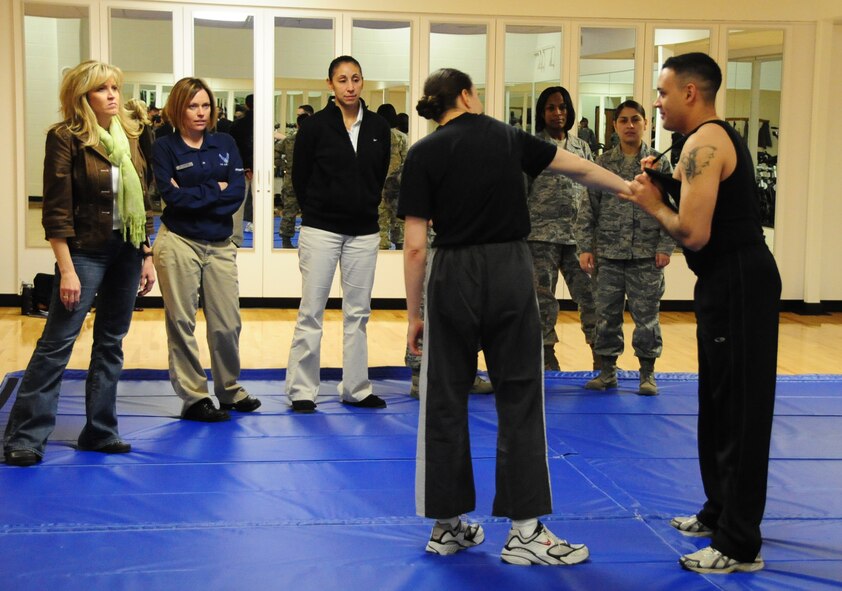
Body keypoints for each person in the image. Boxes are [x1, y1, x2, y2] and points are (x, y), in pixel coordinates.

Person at [399, 68, 629, 565]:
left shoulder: (422, 153)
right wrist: (630, 188)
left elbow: (415, 246)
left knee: (444, 397)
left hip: (451, 273)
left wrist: (414, 314)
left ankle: (447, 525)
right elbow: (580, 169)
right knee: (520, 394)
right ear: (467, 96)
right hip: (508, 268)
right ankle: (525, 532)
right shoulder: (506, 136)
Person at [623, 52, 781, 574]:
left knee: (739, 412)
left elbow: (693, 232)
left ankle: (739, 543)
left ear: (690, 92)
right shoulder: (698, 142)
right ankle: (719, 510)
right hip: (723, 282)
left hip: (740, 283)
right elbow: (703, 205)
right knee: (717, 404)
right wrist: (665, 187)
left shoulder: (705, 142)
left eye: (663, 93)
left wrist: (652, 203)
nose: (657, 103)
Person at [3, 60, 155, 466]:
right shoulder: (64, 138)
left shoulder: (130, 135)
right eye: (102, 89)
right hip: (85, 252)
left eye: (115, 87)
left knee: (111, 343)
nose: (112, 95)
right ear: (82, 96)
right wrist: (67, 269)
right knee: (57, 344)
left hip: (127, 250)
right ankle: (25, 437)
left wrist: (146, 254)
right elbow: (56, 211)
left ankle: (100, 431)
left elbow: (144, 197)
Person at [286, 55, 391, 413]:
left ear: (363, 82)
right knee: (311, 311)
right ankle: (302, 389)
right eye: (342, 80)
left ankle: (356, 388)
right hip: (321, 229)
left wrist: (363, 203)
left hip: (364, 232)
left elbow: (378, 174)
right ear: (330, 84)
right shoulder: (315, 127)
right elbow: (300, 177)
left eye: (356, 79)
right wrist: (318, 210)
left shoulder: (378, 126)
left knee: (358, 314)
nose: (350, 86)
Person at [152, 77, 261, 422]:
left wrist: (196, 193)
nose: (200, 112)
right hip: (179, 241)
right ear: (178, 109)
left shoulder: (225, 142)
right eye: (192, 106)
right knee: (181, 322)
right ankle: (195, 397)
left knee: (227, 323)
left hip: (219, 244)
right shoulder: (164, 147)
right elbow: (172, 198)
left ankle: (229, 390)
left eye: (205, 105)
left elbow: (237, 193)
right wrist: (217, 188)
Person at [575, 100, 676, 395]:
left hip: (646, 254)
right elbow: (588, 207)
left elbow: (671, 207)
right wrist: (585, 247)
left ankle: (647, 373)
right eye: (623, 120)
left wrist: (665, 246)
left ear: (646, 124)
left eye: (635, 120)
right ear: (615, 125)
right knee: (606, 315)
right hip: (608, 254)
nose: (630, 125)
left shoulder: (658, 164)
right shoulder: (602, 164)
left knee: (647, 317)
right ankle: (607, 372)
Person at [526, 86, 597, 371]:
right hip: (540, 237)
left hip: (578, 238)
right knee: (542, 300)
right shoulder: (532, 147)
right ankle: (546, 355)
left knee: (591, 297)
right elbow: (520, 191)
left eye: (563, 107)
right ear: (542, 112)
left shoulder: (582, 148)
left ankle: (601, 355)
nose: (558, 113)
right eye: (551, 108)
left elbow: (592, 190)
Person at [376, 103, 409, 249]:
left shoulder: (375, 137)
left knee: (381, 220)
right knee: (399, 221)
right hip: (397, 185)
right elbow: (406, 161)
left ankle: (382, 249)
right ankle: (400, 250)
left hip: (378, 183)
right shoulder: (402, 137)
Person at [276, 111, 311, 248]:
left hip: (292, 180)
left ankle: (286, 241)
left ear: (297, 125)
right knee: (310, 212)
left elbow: (275, 153)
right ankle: (307, 242)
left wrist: (283, 166)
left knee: (289, 211)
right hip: (309, 181)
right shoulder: (314, 139)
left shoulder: (290, 140)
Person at [229, 94, 255, 243]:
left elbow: (235, 148)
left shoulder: (238, 124)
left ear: (246, 104)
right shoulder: (263, 123)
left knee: (238, 203)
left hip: (241, 167)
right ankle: (262, 234)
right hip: (254, 167)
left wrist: (245, 166)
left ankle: (235, 238)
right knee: (260, 203)